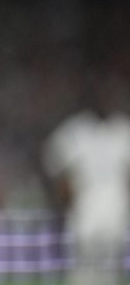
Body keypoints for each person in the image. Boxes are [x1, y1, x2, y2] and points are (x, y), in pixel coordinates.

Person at [43, 69, 130, 285]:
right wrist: (64, 194)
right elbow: (53, 164)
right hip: (84, 211)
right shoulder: (76, 130)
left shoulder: (123, 130)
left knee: (109, 269)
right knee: (82, 268)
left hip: (115, 210)